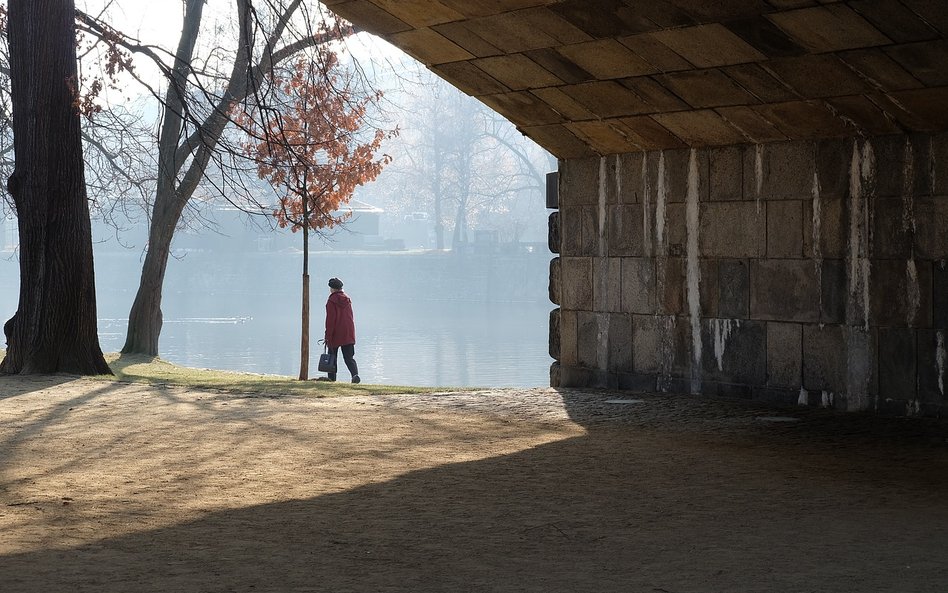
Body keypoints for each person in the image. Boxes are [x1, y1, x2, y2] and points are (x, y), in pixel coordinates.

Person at [322, 277, 360, 383]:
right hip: (348, 332)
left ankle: (331, 380)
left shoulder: (331, 301)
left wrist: (327, 336)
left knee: (331, 358)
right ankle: (355, 375)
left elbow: (330, 320)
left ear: (332, 288)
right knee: (349, 357)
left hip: (335, 334)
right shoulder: (347, 299)